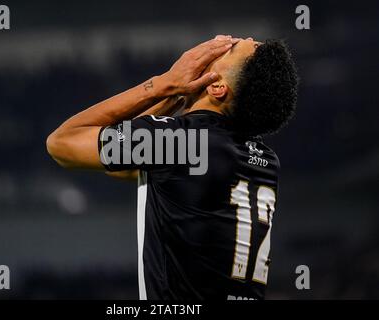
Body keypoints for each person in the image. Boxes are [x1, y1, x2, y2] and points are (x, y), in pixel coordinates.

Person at [46, 35, 298, 300]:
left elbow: (62, 143)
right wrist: (176, 97)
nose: (227, 40)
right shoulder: (265, 160)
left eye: (232, 47)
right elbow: (123, 166)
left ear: (217, 87)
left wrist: (165, 84)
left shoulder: (181, 142)